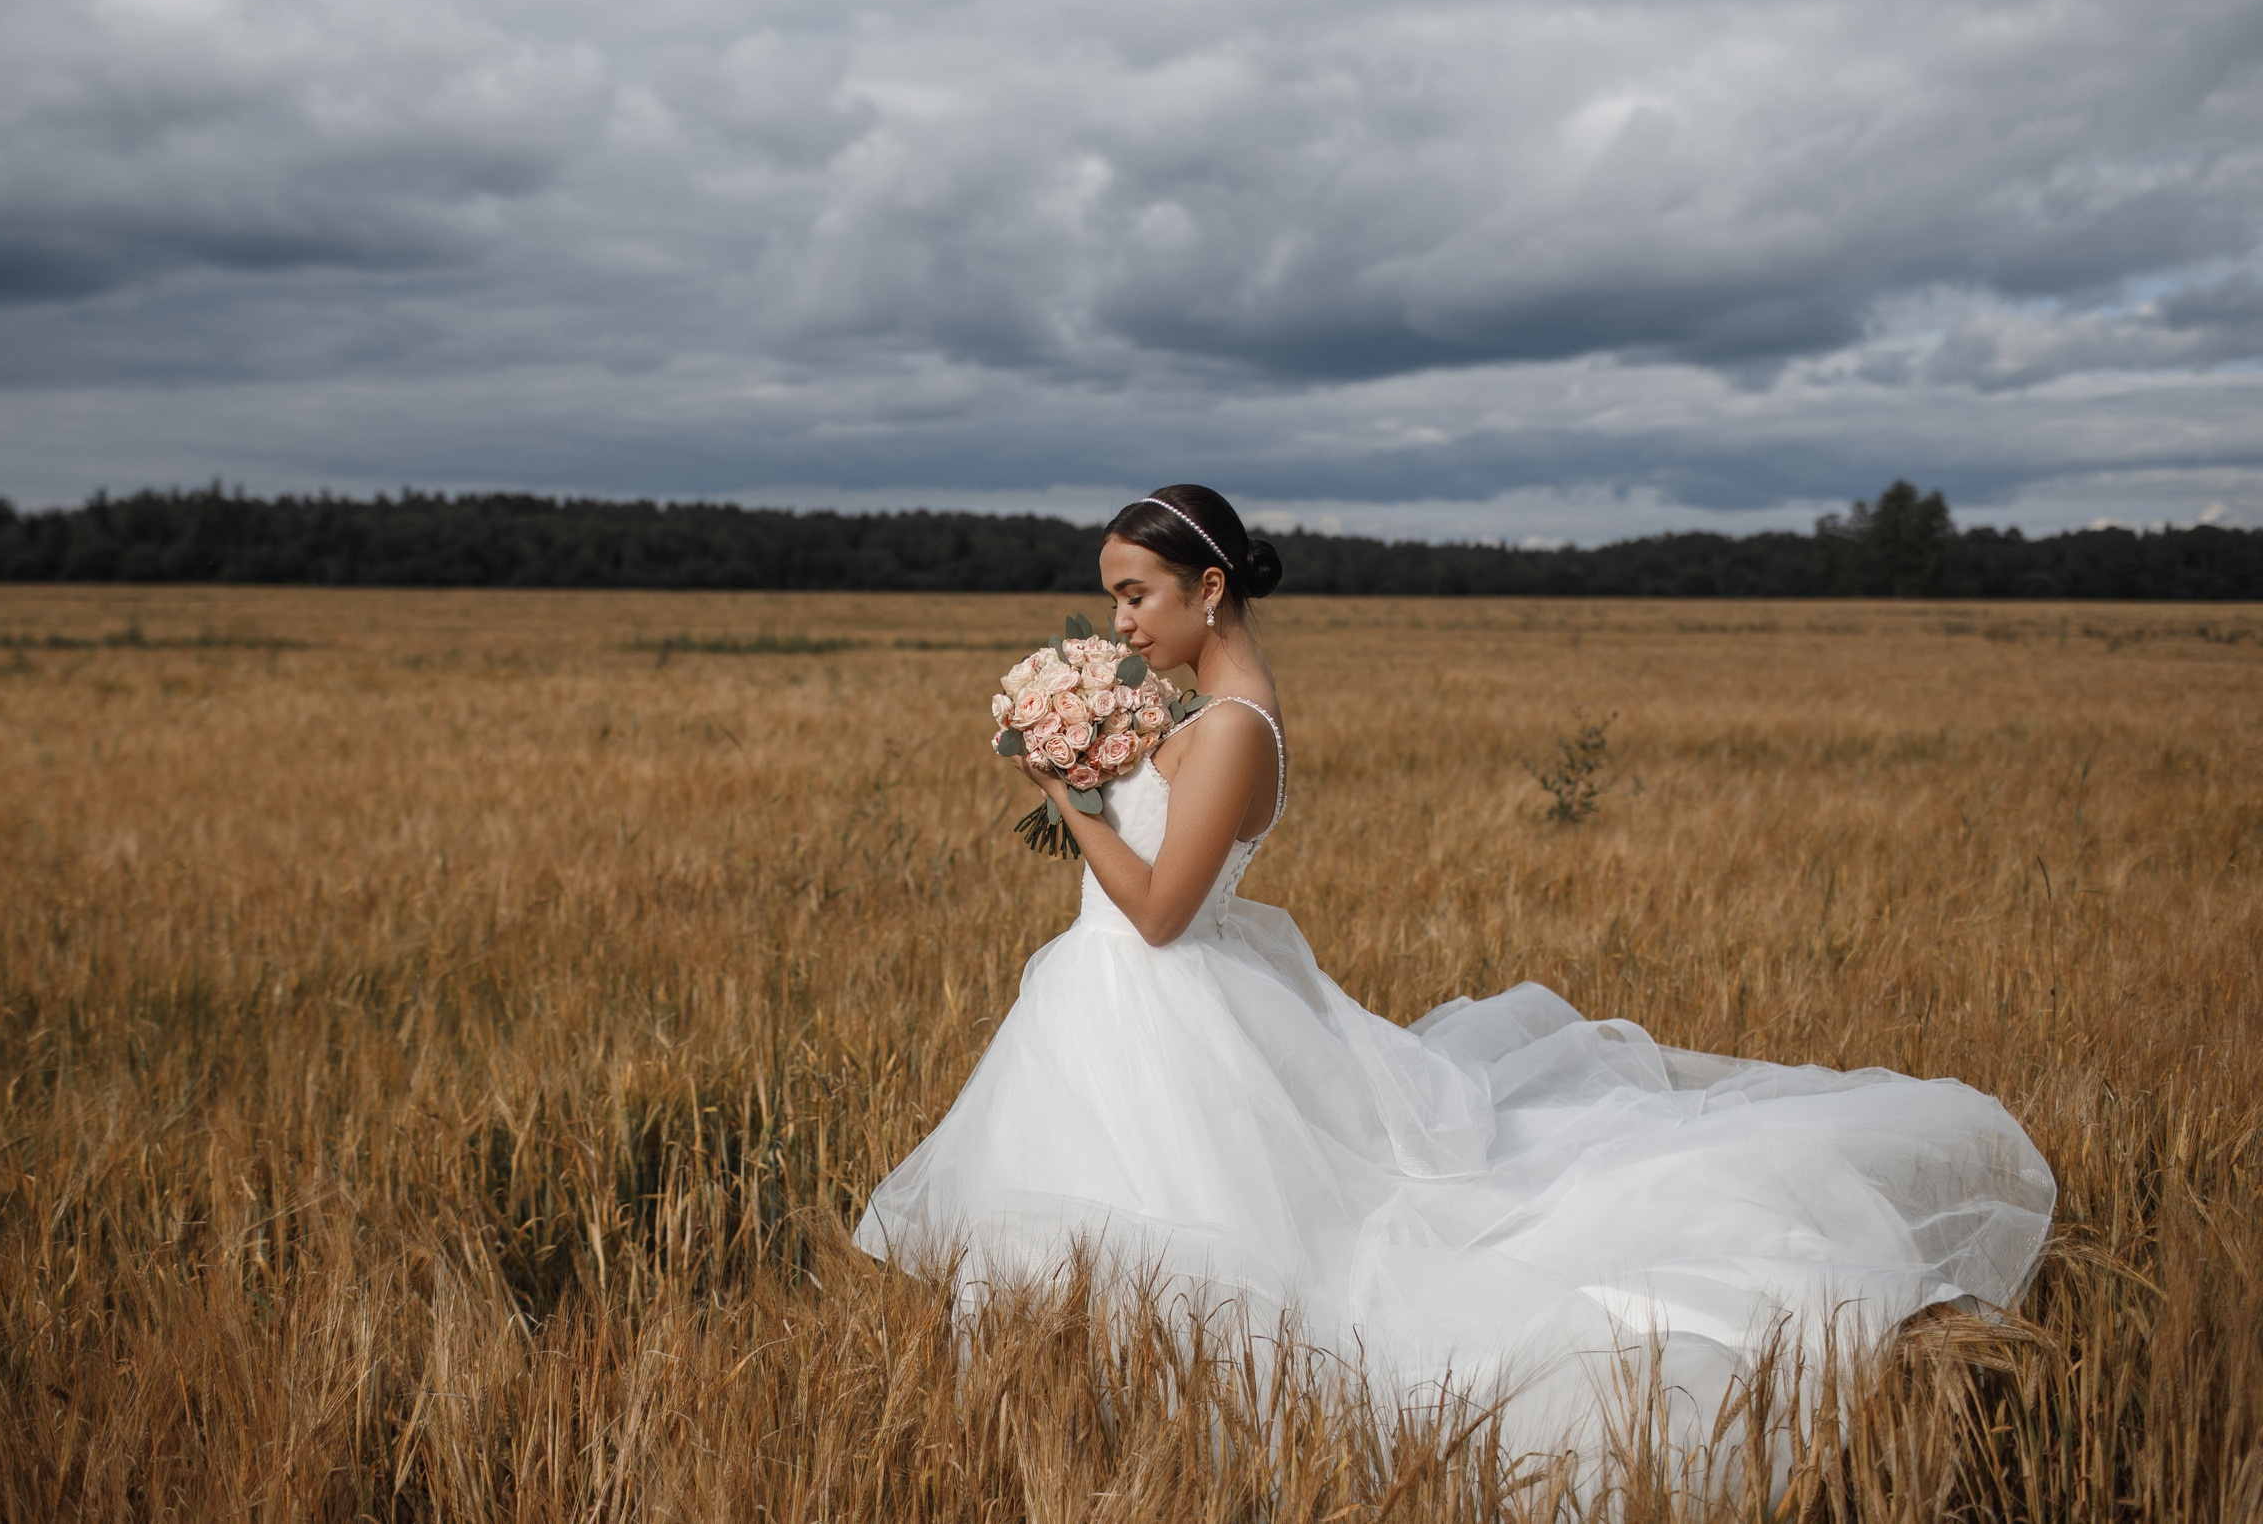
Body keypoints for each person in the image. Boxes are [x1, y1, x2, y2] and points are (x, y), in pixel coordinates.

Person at [854, 483, 2054, 1461]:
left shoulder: (1228, 728)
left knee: (1203, 1235)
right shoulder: (1199, 714)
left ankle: (1165, 1422)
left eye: (1134, 595)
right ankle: (1090, 1411)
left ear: (1207, 587)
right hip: (1136, 998)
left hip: (1159, 989)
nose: (1118, 626)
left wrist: (1073, 805)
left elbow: (1163, 915)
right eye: (1110, 599)